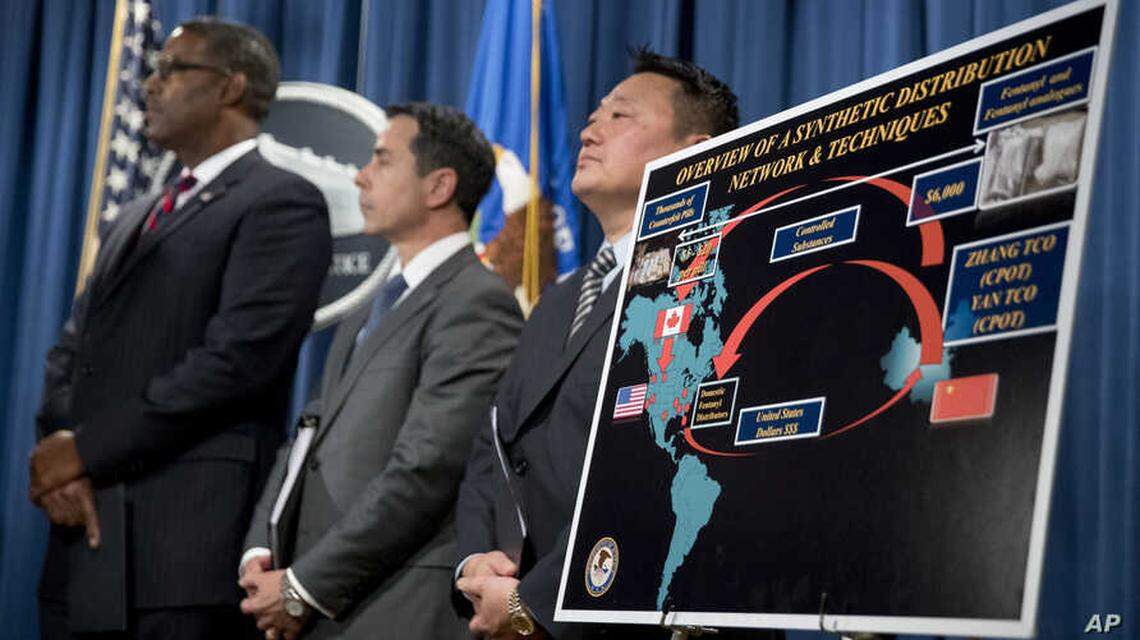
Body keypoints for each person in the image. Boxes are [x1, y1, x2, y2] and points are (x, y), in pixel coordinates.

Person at [29, 18, 331, 640]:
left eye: (172, 69)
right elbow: (72, 350)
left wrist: (84, 451)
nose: (150, 84)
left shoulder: (280, 202)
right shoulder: (135, 215)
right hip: (84, 536)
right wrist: (63, 452)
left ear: (230, 87)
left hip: (181, 549)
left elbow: (234, 363)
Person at [454, 50, 739, 639]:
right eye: (592, 116)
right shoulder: (558, 300)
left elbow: (674, 464)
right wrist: (477, 564)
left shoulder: (721, 279)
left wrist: (534, 601)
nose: (589, 130)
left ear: (691, 150)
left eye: (620, 116)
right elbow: (493, 447)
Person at [237, 103, 523, 640]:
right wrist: (264, 546)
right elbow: (310, 434)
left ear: (439, 186)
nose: (360, 175)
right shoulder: (380, 303)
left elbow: (424, 469)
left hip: (395, 606)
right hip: (325, 599)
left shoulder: (475, 302)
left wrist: (304, 585)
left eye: (382, 161)